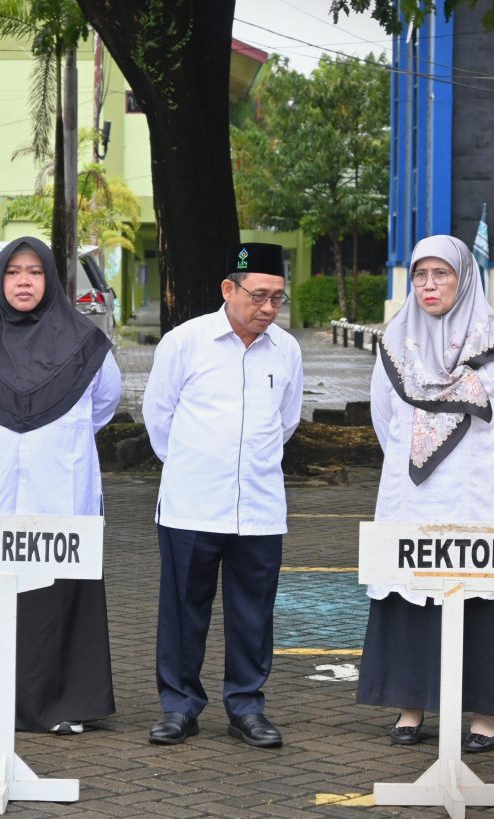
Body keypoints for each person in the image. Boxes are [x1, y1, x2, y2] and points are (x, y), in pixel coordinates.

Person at [0, 236, 120, 735]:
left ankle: (61, 704)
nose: (24, 282)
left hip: (61, 491)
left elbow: (104, 403)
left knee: (57, 594)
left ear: (52, 279)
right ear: (0, 279)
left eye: (35, 272)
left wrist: (52, 441)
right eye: (13, 272)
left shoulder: (85, 340)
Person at [356, 234, 494, 753]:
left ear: (465, 279)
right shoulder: (394, 342)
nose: (429, 285)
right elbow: (383, 418)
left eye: (442, 275)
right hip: (411, 499)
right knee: (409, 596)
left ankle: (485, 714)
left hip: (478, 501)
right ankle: (410, 705)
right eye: (420, 275)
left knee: (481, 599)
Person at [142, 243, 303, 748]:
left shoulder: (287, 350)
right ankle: (179, 706)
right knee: (183, 609)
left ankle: (247, 706)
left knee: (253, 613)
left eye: (278, 298)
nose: (268, 309)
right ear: (228, 290)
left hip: (259, 506)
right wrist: (198, 465)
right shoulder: (184, 343)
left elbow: (287, 422)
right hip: (192, 503)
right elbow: (158, 418)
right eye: (259, 296)